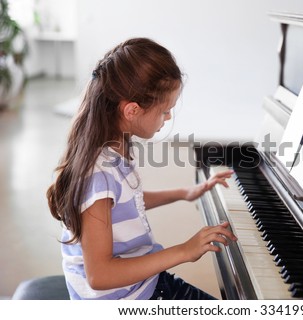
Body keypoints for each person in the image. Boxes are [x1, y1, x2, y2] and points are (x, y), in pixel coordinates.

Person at [46, 37, 237, 300]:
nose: (168, 117)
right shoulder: (98, 175)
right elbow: (99, 275)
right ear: (132, 110)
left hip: (139, 283)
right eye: (165, 111)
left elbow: (126, 202)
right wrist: (184, 250)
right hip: (126, 297)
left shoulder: (114, 146)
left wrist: (185, 192)